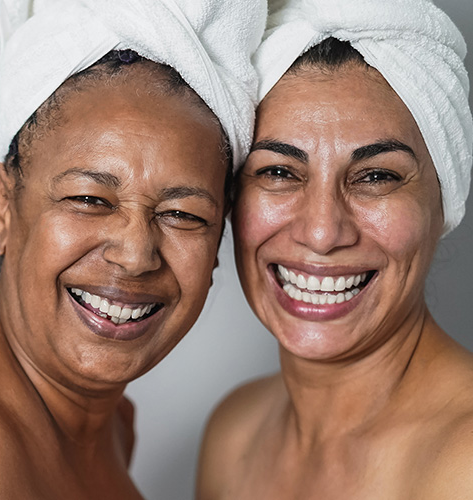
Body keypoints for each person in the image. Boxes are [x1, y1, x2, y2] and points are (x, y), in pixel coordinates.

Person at [0, 0, 261, 498]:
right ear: (2, 207)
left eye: (183, 215)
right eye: (89, 199)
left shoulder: (110, 425)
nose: (136, 253)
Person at [198, 0, 473, 498]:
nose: (322, 232)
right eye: (279, 172)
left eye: (376, 176)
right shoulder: (233, 433)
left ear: (444, 198)